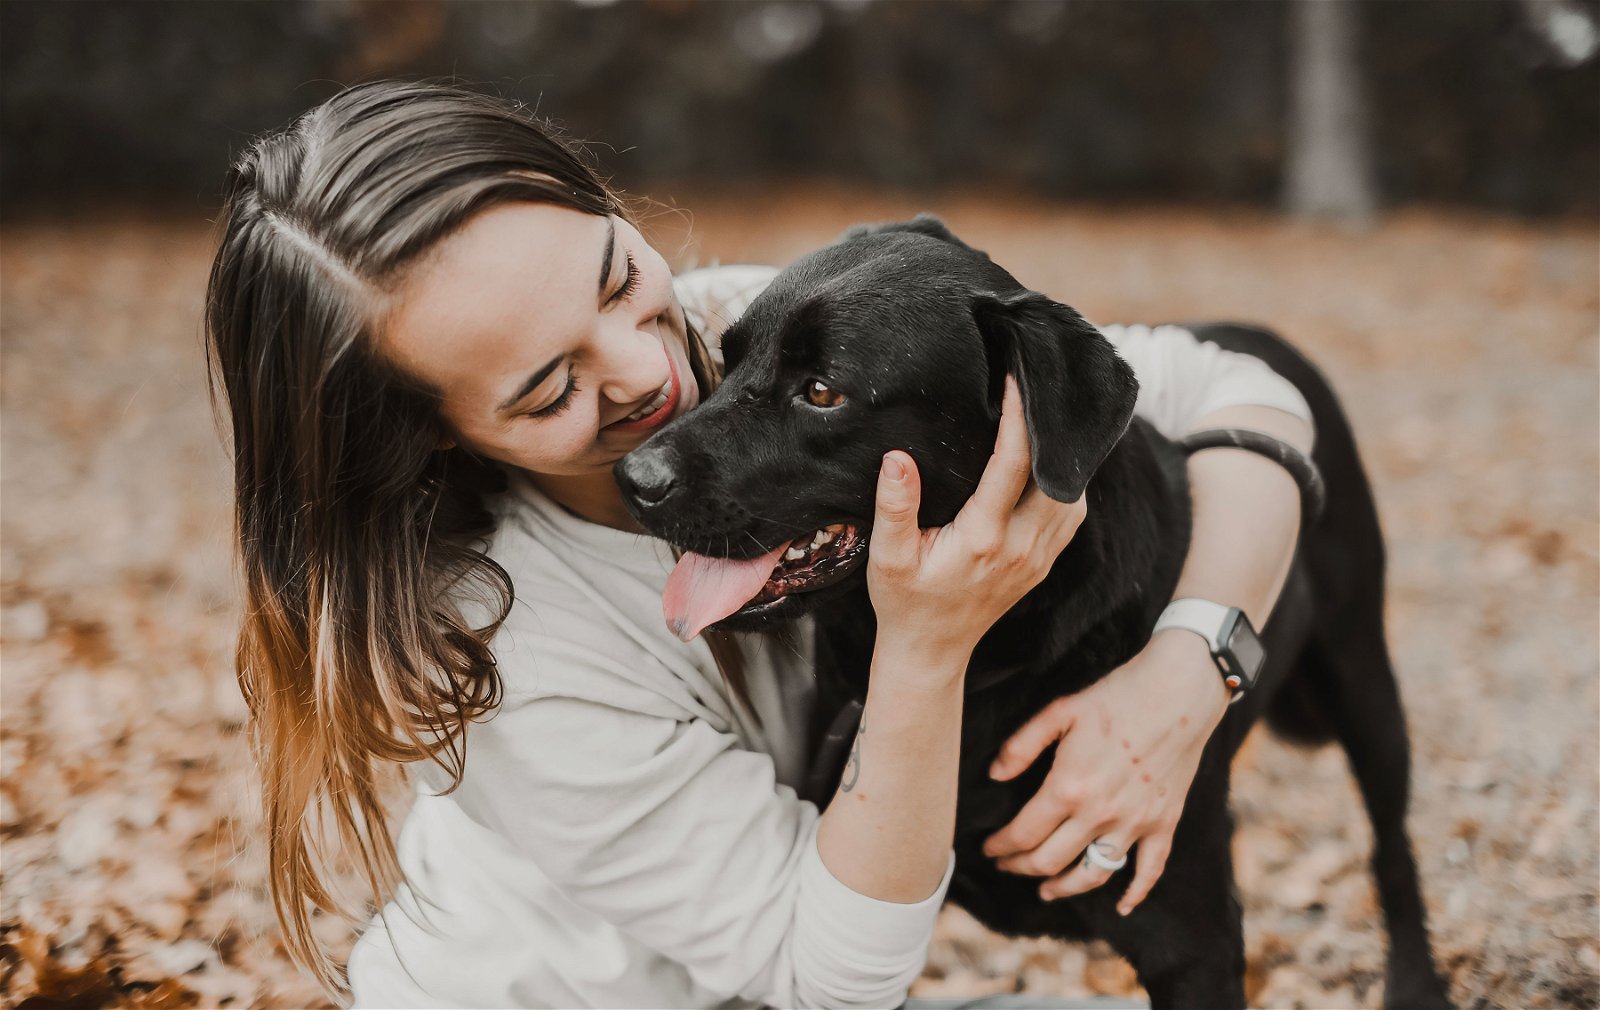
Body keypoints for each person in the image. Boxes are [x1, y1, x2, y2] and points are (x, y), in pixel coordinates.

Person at [204, 81, 1313, 1009]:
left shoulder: (735, 336)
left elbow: (1241, 390)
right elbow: (828, 969)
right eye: (550, 389)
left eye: (616, 278)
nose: (648, 375)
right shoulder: (509, 659)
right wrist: (925, 649)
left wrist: (1191, 663)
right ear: (431, 442)